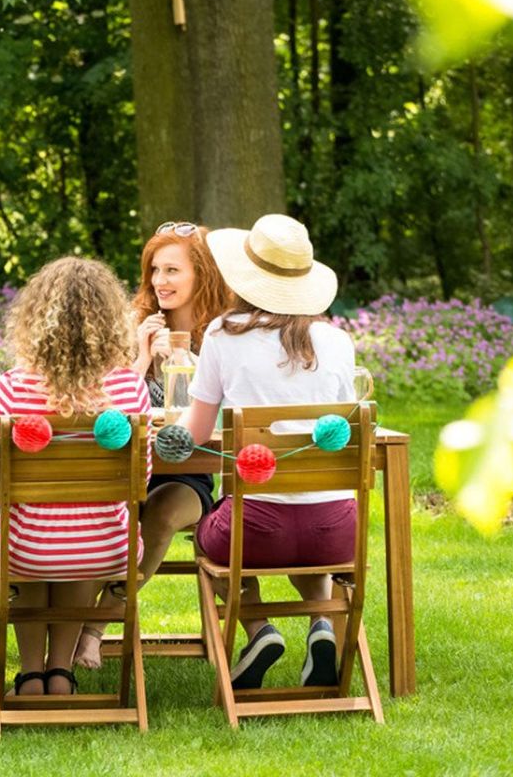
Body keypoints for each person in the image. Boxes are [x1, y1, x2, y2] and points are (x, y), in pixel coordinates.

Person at [180, 213, 356, 689]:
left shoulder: (222, 334)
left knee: (205, 533)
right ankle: (322, 626)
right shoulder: (339, 341)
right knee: (307, 527)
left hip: (255, 532)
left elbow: (195, 432)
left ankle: (258, 628)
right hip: (336, 533)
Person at [0, 257, 152, 696]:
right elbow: (143, 482)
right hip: (106, 550)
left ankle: (28, 674)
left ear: (37, 317)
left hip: (25, 550)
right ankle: (60, 672)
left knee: (36, 541)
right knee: (84, 535)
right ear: (111, 318)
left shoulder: (13, 386)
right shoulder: (129, 389)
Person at [74, 220, 231, 669]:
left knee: (160, 513)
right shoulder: (130, 326)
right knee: (88, 516)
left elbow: (221, 415)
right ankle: (68, 627)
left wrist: (187, 365)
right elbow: (100, 406)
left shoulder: (221, 335)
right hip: (119, 472)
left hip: (187, 474)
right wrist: (140, 358)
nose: (160, 282)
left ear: (202, 274)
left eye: (172, 271)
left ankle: (93, 628)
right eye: (154, 271)